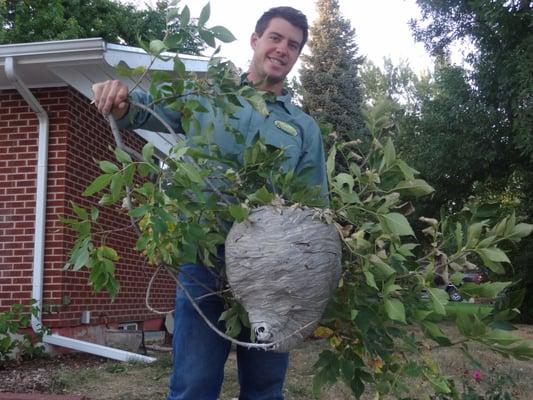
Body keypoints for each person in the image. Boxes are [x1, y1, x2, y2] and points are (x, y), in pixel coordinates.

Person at [92, 6, 327, 400]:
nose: (283, 49)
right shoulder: (207, 97)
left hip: (273, 273)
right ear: (255, 40)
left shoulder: (303, 128)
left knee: (265, 388)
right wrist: (119, 97)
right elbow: (143, 110)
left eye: (293, 45)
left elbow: (314, 208)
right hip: (203, 262)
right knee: (194, 385)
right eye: (276, 38)